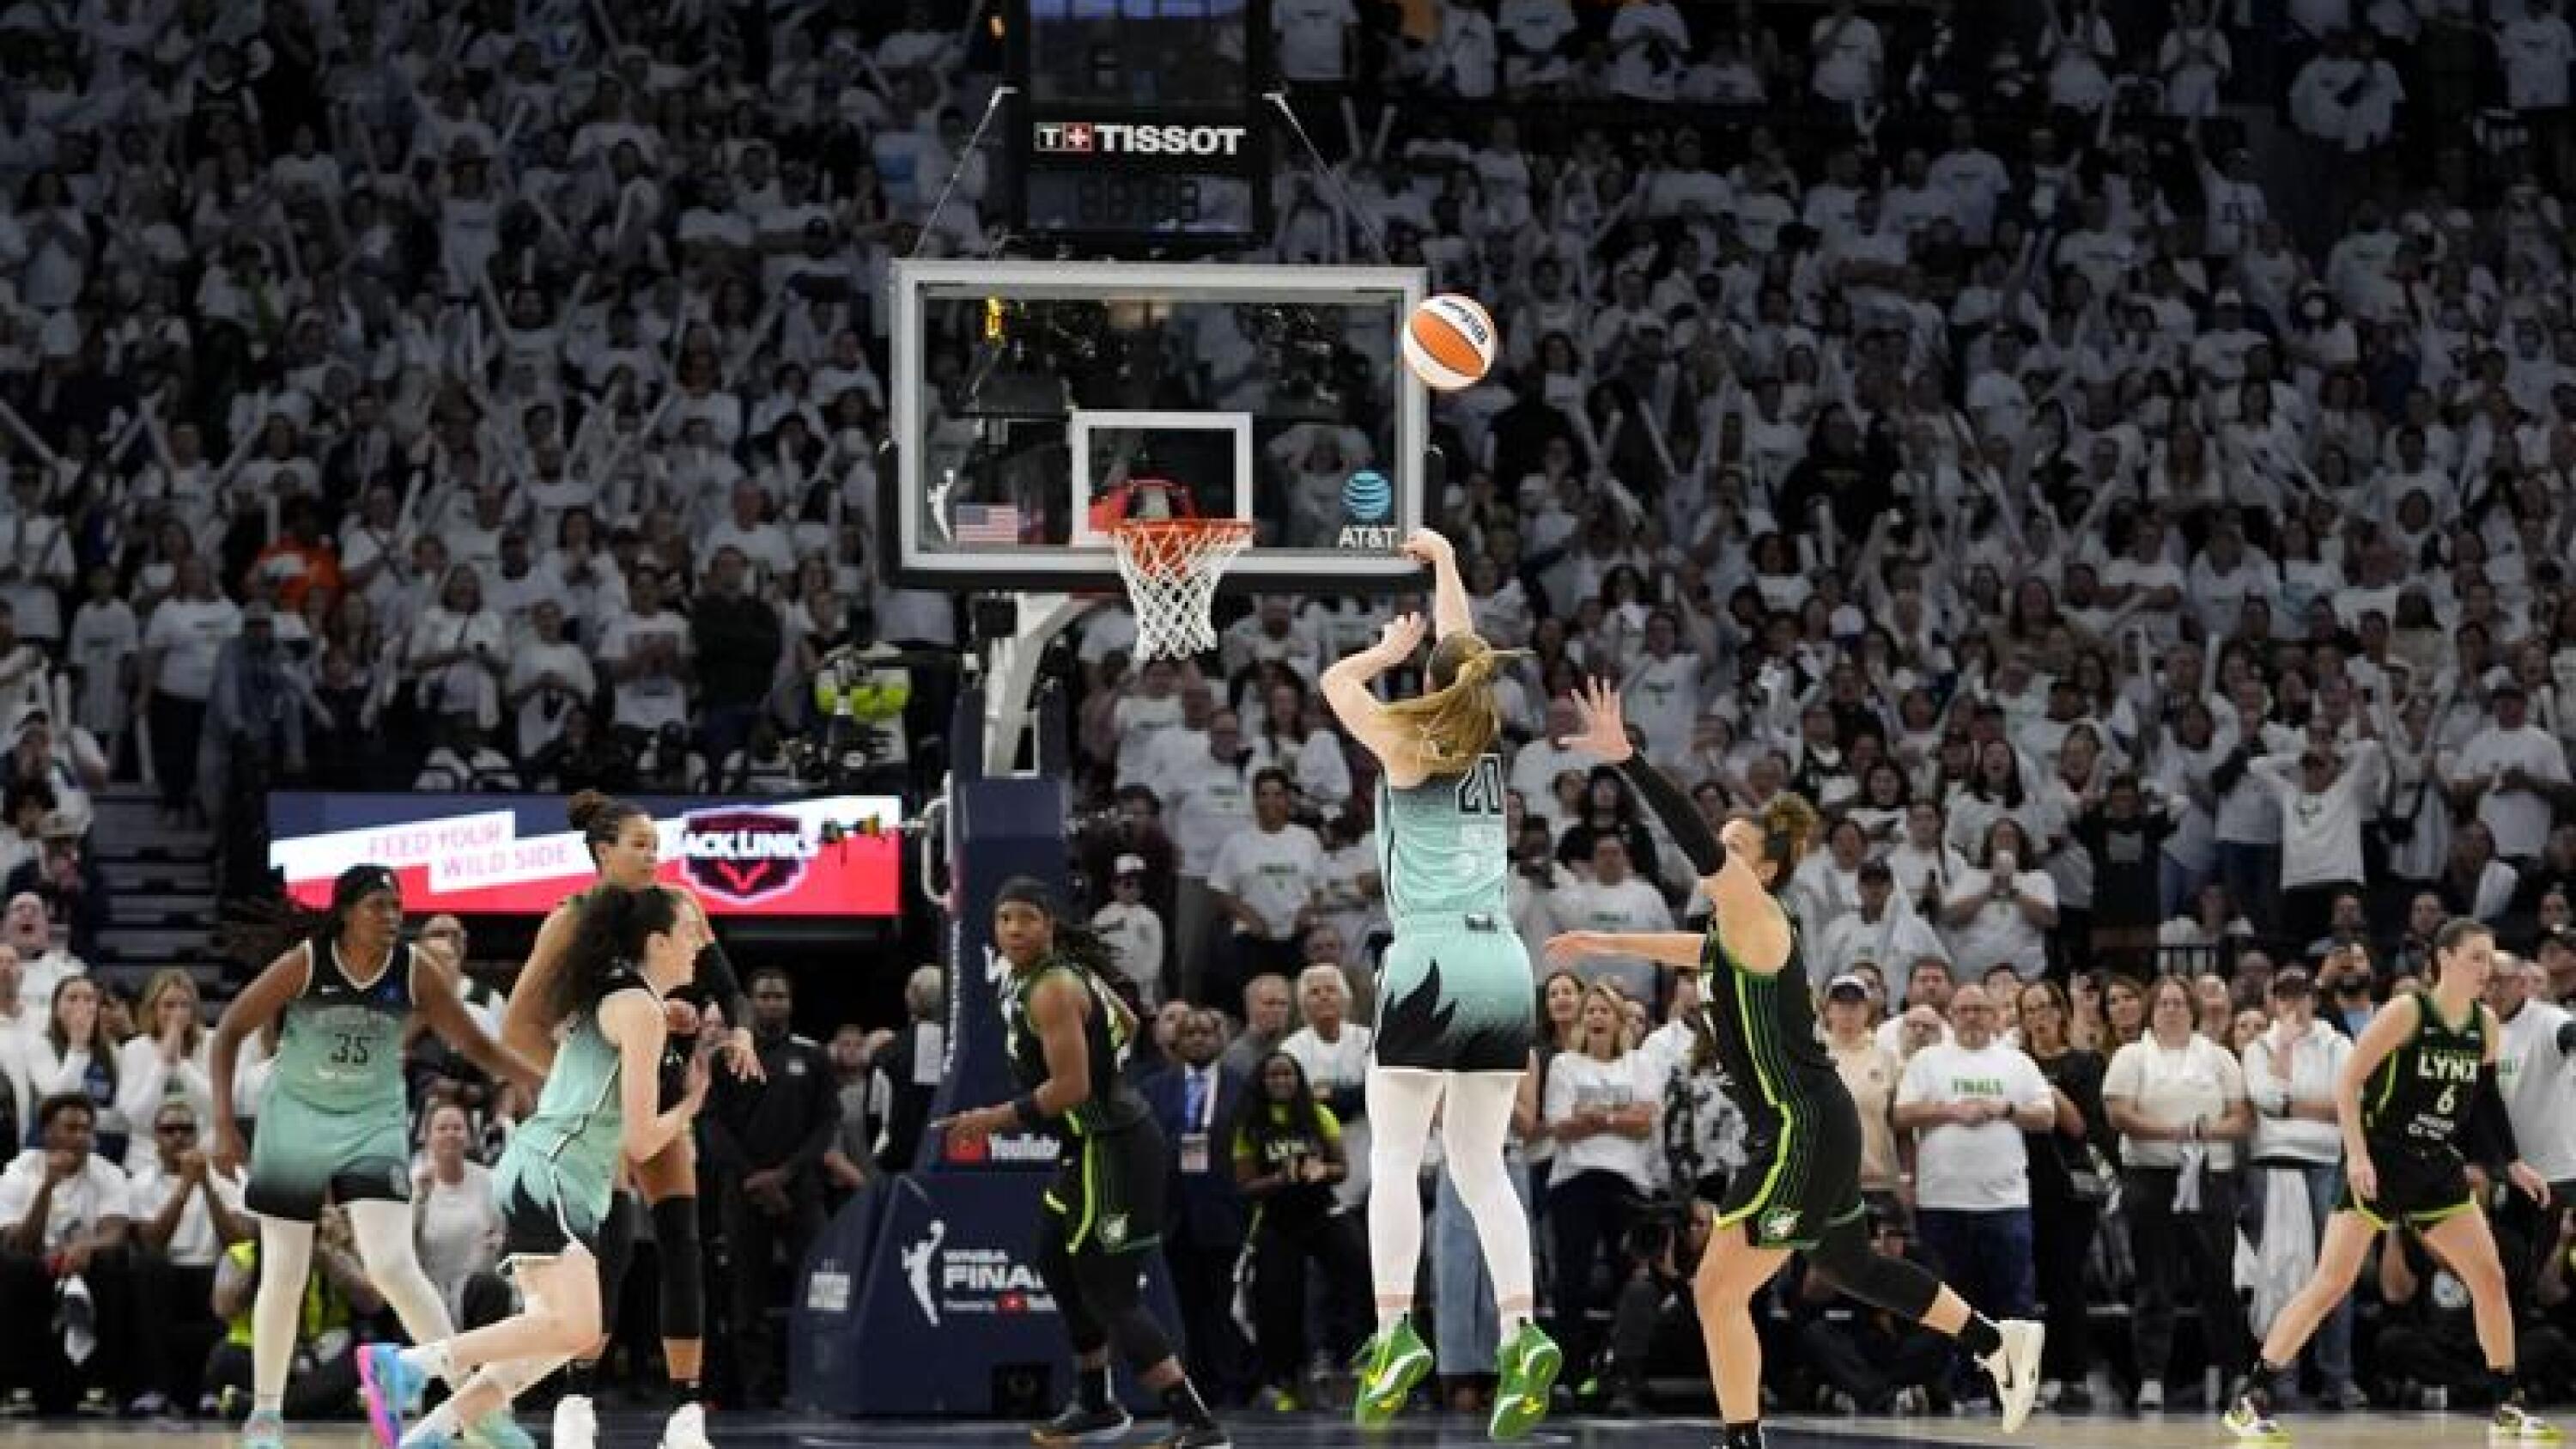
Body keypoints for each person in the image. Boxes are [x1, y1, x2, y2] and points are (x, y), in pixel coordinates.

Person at [1544, 681, 2044, 1449]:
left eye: (1739, 848)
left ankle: (1744, 1441)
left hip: (1798, 1127)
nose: (1724, 853)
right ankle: (1994, 1342)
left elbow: (1694, 841)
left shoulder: (1757, 913)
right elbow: (1691, 950)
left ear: (1765, 873)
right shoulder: (1730, 940)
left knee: (1716, 1289)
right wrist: (1606, 943)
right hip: (1799, 1126)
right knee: (1853, 1266)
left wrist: (1630, 760)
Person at [1316, 527, 1560, 1436]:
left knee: (1390, 1155)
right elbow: (1467, 659)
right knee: (1478, 1164)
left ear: (1429, 683)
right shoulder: (1488, 745)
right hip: (1502, 959)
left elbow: (1337, 688)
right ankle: (1522, 1330)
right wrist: (1450, 565)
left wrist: (1383, 650)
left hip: (1428, 959)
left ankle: (1392, 1332)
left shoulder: (1406, 745)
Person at [356, 886, 712, 1449]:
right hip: (553, 1172)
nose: (702, 940)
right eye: (692, 928)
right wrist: (691, 1103)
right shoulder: (637, 1007)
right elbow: (642, 1141)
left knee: (554, 1336)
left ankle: (429, 1434)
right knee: (575, 1327)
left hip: (557, 1175)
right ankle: (407, 1364)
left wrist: (665, 1018)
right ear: (658, 940)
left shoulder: (626, 998)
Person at [208, 866, 543, 1449]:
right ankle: (264, 1415)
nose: (393, 916)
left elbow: (476, 1043)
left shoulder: (416, 968)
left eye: (398, 905)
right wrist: (221, 1122)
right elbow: (229, 1029)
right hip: (297, 1120)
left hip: (370, 1122)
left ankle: (475, 1406)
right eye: (379, 905)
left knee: (392, 1264)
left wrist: (537, 1076)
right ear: (346, 911)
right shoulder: (308, 960)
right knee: (284, 1270)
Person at [2226, 918, 2559, 1444]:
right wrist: (2356, 1155)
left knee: (2490, 1276)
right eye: (2476, 957)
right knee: (2331, 1283)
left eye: (2490, 959)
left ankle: (2506, 1407)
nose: (2485, 970)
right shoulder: (2408, 1012)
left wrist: (2511, 1164)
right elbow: (2349, 1083)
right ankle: (2251, 1395)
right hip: (2381, 1159)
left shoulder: (2486, 1026)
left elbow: (2486, 1105)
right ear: (2444, 959)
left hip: (2436, 1165)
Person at [499, 792, 759, 1449]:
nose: (652, 854)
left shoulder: (679, 904)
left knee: (681, 1240)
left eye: (656, 843)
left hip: (662, 1084)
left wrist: (739, 1030)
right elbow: (519, 1025)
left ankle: (686, 1410)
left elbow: (727, 987)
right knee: (606, 1251)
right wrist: (575, 1081)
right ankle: (576, 1399)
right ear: (602, 850)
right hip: (596, 1110)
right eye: (639, 843)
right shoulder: (571, 919)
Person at [933, 878, 1228, 1449]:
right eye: (1003, 919)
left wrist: (991, 1118)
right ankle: (1096, 1402)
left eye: (1025, 917)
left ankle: (1196, 1422)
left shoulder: (1052, 988)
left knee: (1110, 1289)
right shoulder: (1051, 974)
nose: (1013, 929)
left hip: (1112, 1145)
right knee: (1054, 1257)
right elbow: (1132, 1022)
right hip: (1089, 1142)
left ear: (1048, 923)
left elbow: (1071, 1086)